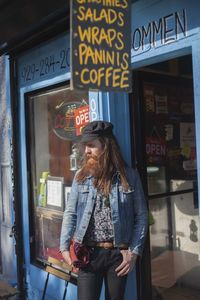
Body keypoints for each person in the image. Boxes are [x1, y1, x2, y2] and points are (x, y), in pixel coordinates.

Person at [60, 120, 148, 300]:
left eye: (91, 145)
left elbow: (141, 216)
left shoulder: (129, 176)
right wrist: (63, 248)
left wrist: (134, 252)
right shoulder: (81, 176)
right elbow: (71, 213)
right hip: (88, 255)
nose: (86, 151)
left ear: (106, 145)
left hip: (118, 255)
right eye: (85, 146)